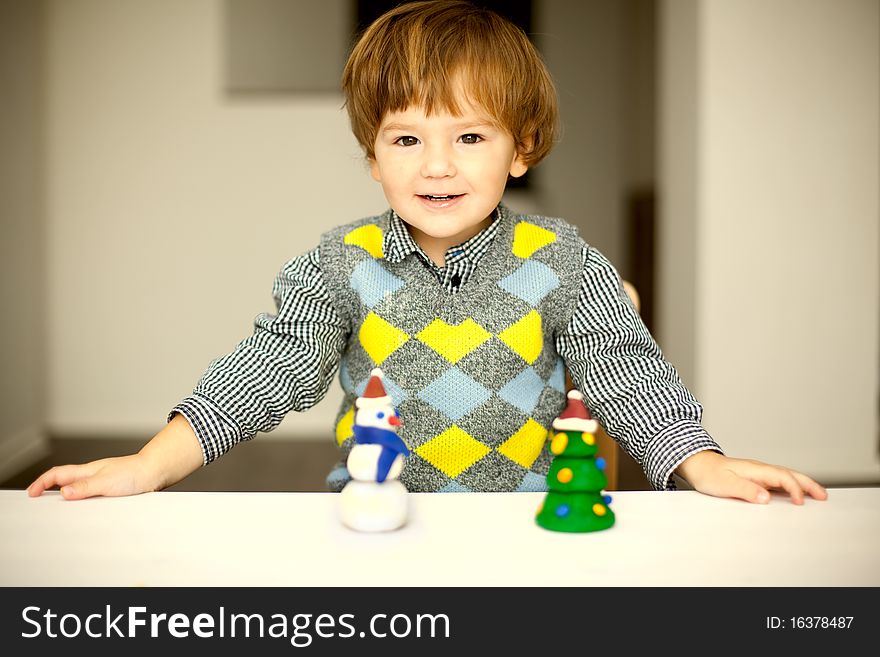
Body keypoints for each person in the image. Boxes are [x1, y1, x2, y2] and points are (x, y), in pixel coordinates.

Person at [28, 0, 826, 505]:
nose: (435, 165)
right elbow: (264, 371)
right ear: (374, 158)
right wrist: (146, 465)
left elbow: (628, 374)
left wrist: (701, 462)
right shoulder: (340, 262)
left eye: (469, 137)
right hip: (377, 526)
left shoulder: (564, 261)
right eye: (406, 138)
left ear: (523, 149)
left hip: (528, 532)